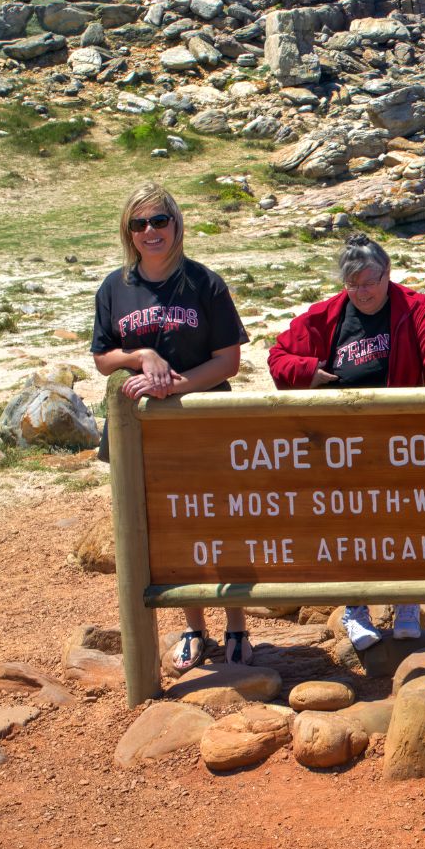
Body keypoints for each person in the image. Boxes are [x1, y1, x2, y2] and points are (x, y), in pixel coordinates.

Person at [269, 233, 425, 651]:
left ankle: (406, 601)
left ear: (387, 274)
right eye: (354, 284)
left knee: (406, 518)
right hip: (343, 444)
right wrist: (307, 371)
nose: (363, 292)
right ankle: (355, 608)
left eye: (370, 281)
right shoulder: (328, 315)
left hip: (400, 437)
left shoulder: (416, 306)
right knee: (350, 523)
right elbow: (278, 356)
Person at [92, 181, 252, 669]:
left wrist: (176, 387)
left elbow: (228, 361)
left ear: (176, 224)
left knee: (221, 525)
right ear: (129, 231)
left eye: (159, 220)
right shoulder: (115, 286)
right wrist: (142, 356)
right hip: (142, 430)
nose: (150, 231)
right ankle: (193, 628)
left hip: (202, 423)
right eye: (139, 223)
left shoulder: (204, 283)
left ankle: (238, 628)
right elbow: (102, 358)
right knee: (170, 530)